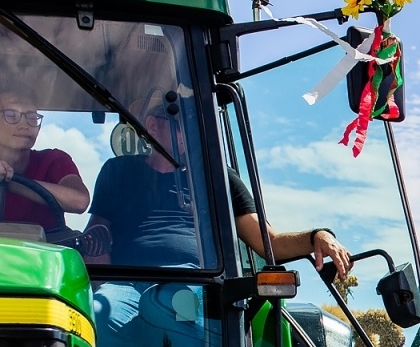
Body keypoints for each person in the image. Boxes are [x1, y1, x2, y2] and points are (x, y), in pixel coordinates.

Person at [85, 88, 350, 277]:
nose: (189, 130)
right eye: (179, 121)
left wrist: (318, 236)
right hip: (125, 282)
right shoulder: (118, 172)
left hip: (193, 282)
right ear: (153, 126)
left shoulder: (219, 178)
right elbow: (96, 236)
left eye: (192, 122)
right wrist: (108, 281)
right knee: (99, 318)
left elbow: (270, 243)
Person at [0, 91, 90, 230]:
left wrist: (8, 182)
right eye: (11, 116)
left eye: (32, 117)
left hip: (44, 250)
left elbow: (79, 202)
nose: (24, 125)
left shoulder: (53, 160)